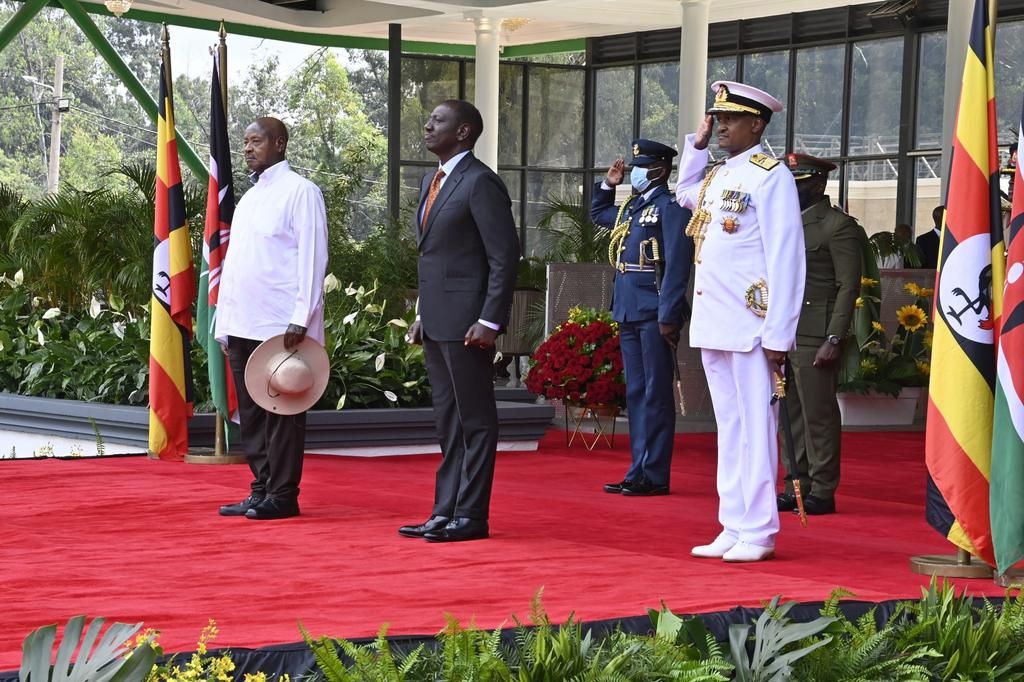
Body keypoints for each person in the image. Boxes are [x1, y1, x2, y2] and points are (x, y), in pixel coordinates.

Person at [674, 81, 805, 562]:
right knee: (730, 427)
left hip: (753, 325)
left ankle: (760, 529)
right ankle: (733, 522)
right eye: (717, 117)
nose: (722, 125)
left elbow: (787, 257)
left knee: (756, 426)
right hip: (716, 319)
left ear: (757, 124)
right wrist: (696, 145)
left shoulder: (770, 177)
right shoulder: (718, 175)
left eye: (730, 119)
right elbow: (684, 192)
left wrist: (778, 332)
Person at [398, 100, 520, 543]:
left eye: (439, 121)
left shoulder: (481, 182)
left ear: (465, 132)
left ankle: (470, 516)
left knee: (475, 420)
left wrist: (490, 320)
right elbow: (435, 258)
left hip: (470, 324)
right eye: (429, 119)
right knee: (448, 421)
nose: (427, 125)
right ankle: (444, 510)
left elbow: (503, 257)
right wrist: (420, 316)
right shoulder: (433, 180)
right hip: (437, 322)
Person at [215, 117, 328, 520]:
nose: (247, 148)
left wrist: (301, 316)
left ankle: (283, 494)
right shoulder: (249, 199)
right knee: (252, 413)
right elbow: (237, 265)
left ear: (279, 144)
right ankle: (261, 487)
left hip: (281, 326)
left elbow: (313, 259)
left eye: (256, 141)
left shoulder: (301, 192)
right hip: (242, 321)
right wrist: (223, 322)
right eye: (245, 142)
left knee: (283, 413)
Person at [591, 139, 693, 496]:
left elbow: (678, 266)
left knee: (655, 393)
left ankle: (654, 473)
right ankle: (637, 469)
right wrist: (608, 185)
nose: (635, 172)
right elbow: (599, 215)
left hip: (654, 311)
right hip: (628, 308)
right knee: (635, 391)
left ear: (660, 170)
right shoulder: (633, 208)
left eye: (641, 166)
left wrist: (669, 314)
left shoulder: (671, 208)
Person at [776, 153, 863, 517]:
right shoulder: (782, 222)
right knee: (789, 413)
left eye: (799, 184)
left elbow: (848, 286)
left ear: (818, 184)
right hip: (784, 329)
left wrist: (834, 338)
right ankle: (796, 482)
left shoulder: (836, 225)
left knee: (818, 414)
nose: (792, 191)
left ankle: (823, 488)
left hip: (815, 332)